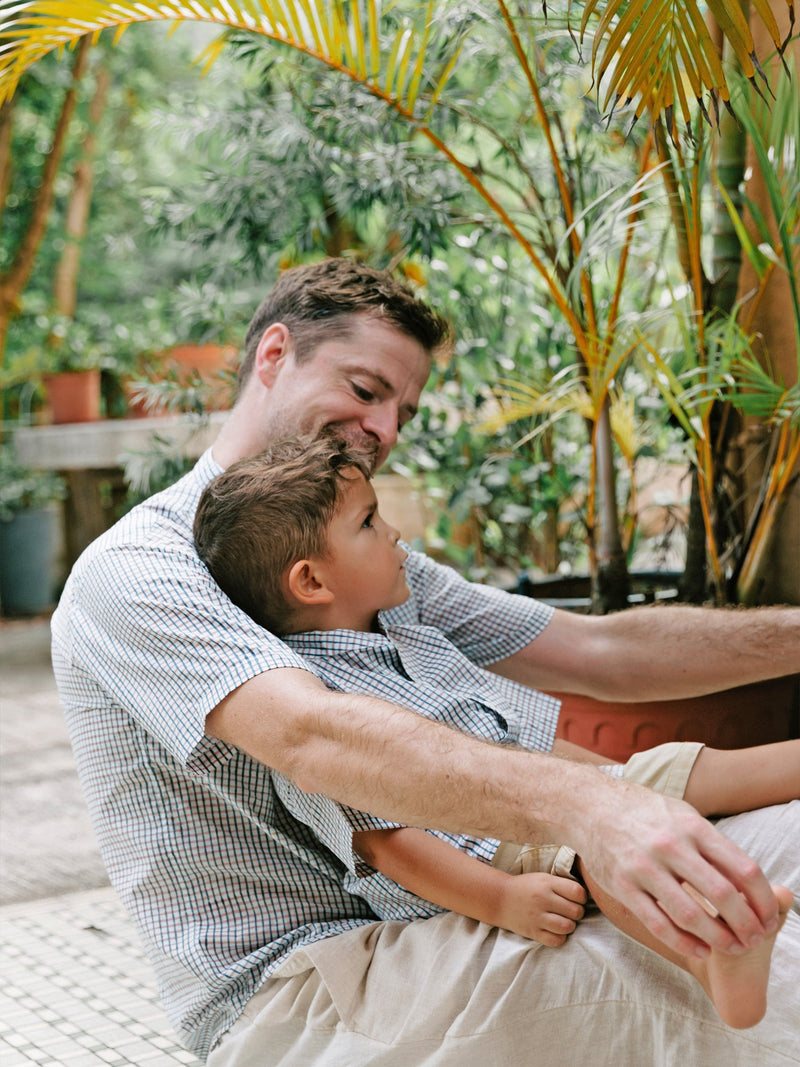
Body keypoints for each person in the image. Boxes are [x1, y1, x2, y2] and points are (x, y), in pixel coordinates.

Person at [50, 258, 800, 1064]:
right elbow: (314, 736)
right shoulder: (139, 568)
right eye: (365, 389)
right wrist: (597, 807)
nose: (384, 430)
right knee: (763, 980)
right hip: (309, 989)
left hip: (452, 920)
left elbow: (599, 649)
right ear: (273, 356)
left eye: (401, 409)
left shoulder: (363, 564)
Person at [192, 434, 798, 1023]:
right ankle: (714, 960)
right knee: (600, 852)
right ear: (312, 581)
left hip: (561, 798)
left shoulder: (414, 639)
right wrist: (500, 900)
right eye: (370, 523)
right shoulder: (319, 704)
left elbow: (527, 743)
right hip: (498, 851)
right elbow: (389, 845)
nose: (395, 533)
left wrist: (617, 783)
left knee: (701, 766)